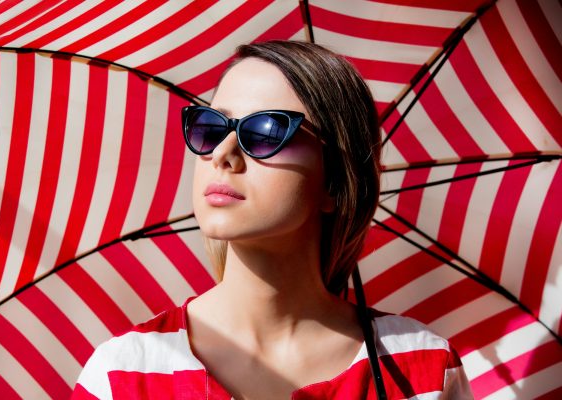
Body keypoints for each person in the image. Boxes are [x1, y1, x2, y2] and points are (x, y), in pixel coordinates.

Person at [71, 40, 473, 399]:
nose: (223, 154)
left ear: (335, 182)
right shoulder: (123, 373)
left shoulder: (421, 369)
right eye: (211, 127)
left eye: (266, 131)